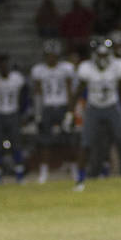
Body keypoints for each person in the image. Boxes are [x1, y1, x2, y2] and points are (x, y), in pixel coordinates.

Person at [73, 38, 121, 191]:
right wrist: (71, 112)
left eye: (105, 55)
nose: (102, 58)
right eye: (100, 55)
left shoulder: (117, 66)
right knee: (85, 144)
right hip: (93, 107)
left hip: (113, 106)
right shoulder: (86, 68)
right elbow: (78, 92)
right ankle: (80, 180)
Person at [30, 39, 76, 183]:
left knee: (69, 140)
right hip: (47, 107)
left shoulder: (66, 68)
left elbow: (70, 91)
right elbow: (38, 93)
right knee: (45, 141)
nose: (51, 57)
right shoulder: (38, 70)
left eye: (54, 54)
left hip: (62, 106)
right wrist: (37, 113)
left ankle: (73, 168)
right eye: (49, 55)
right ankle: (44, 171)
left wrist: (70, 111)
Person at [0, 52, 28, 184]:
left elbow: (23, 97)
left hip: (13, 113)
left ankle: (19, 173)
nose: (3, 66)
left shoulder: (17, 78)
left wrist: (22, 114)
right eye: (0, 64)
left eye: (5, 63)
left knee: (16, 144)